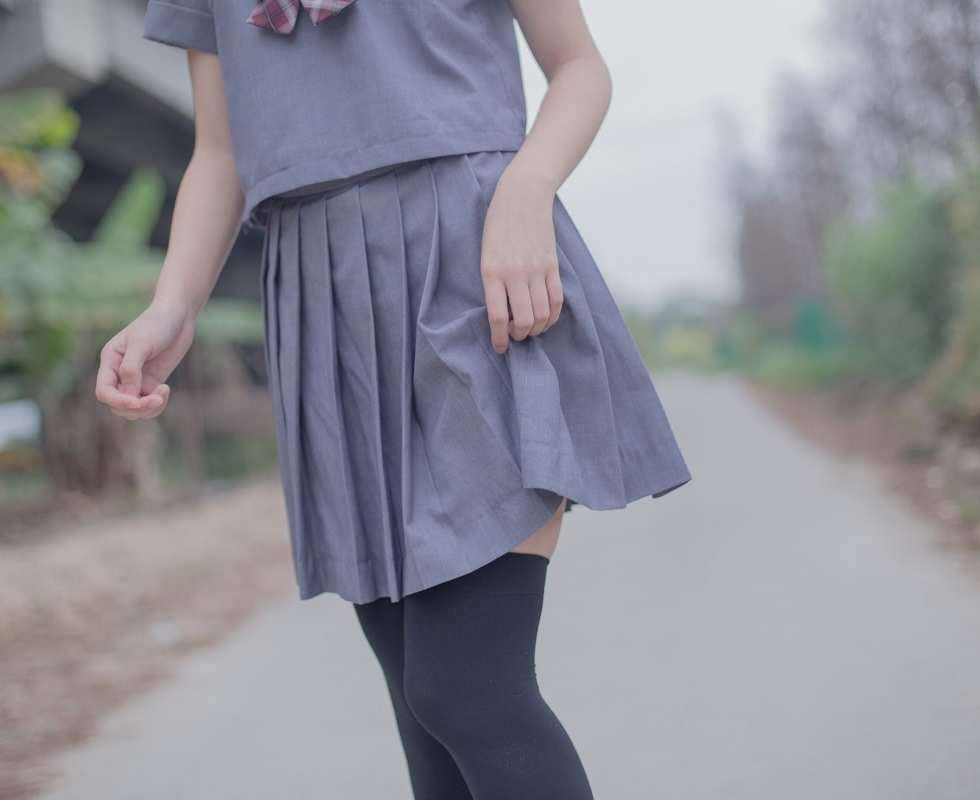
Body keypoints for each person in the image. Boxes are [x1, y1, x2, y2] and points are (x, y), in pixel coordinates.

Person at [97, 1, 692, 797]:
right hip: (322, 299)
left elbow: (579, 66)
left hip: (473, 262)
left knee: (464, 689)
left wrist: (528, 187)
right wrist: (173, 306)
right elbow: (221, 148)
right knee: (425, 722)